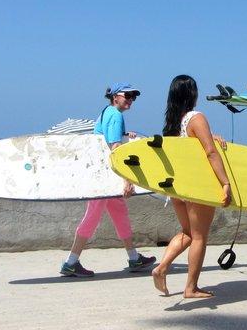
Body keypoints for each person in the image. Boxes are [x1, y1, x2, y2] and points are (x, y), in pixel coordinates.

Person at [60, 83, 156, 277]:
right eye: (127, 96)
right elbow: (115, 150)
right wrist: (128, 180)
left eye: (133, 97)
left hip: (106, 175)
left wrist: (124, 135)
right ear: (115, 97)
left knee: (120, 215)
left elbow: (108, 139)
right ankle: (71, 262)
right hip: (103, 177)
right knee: (92, 217)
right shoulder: (115, 115)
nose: (130, 100)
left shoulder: (108, 113)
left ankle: (134, 258)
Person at [151, 74, 232, 298]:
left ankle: (161, 267)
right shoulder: (197, 117)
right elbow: (209, 151)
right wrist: (225, 182)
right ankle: (191, 288)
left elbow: (192, 145)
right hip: (197, 188)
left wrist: (211, 135)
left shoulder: (173, 123)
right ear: (192, 94)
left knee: (188, 232)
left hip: (178, 187)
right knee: (199, 237)